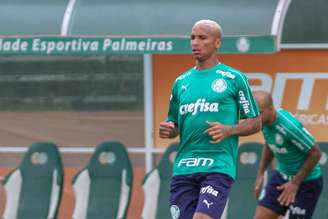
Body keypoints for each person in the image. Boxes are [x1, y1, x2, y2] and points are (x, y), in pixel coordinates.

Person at [159, 19, 262, 219]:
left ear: (217, 43)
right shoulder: (180, 82)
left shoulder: (233, 78)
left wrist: (229, 130)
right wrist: (169, 129)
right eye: (192, 38)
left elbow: (255, 121)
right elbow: (174, 124)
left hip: (217, 165)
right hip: (184, 167)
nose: (195, 43)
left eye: (202, 38)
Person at [252, 91, 323, 219]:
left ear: (271, 109)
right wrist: (261, 173)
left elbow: (316, 153)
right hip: (281, 176)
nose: (256, 117)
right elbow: (269, 144)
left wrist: (295, 183)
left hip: (306, 183)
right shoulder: (262, 122)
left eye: (260, 112)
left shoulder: (288, 127)